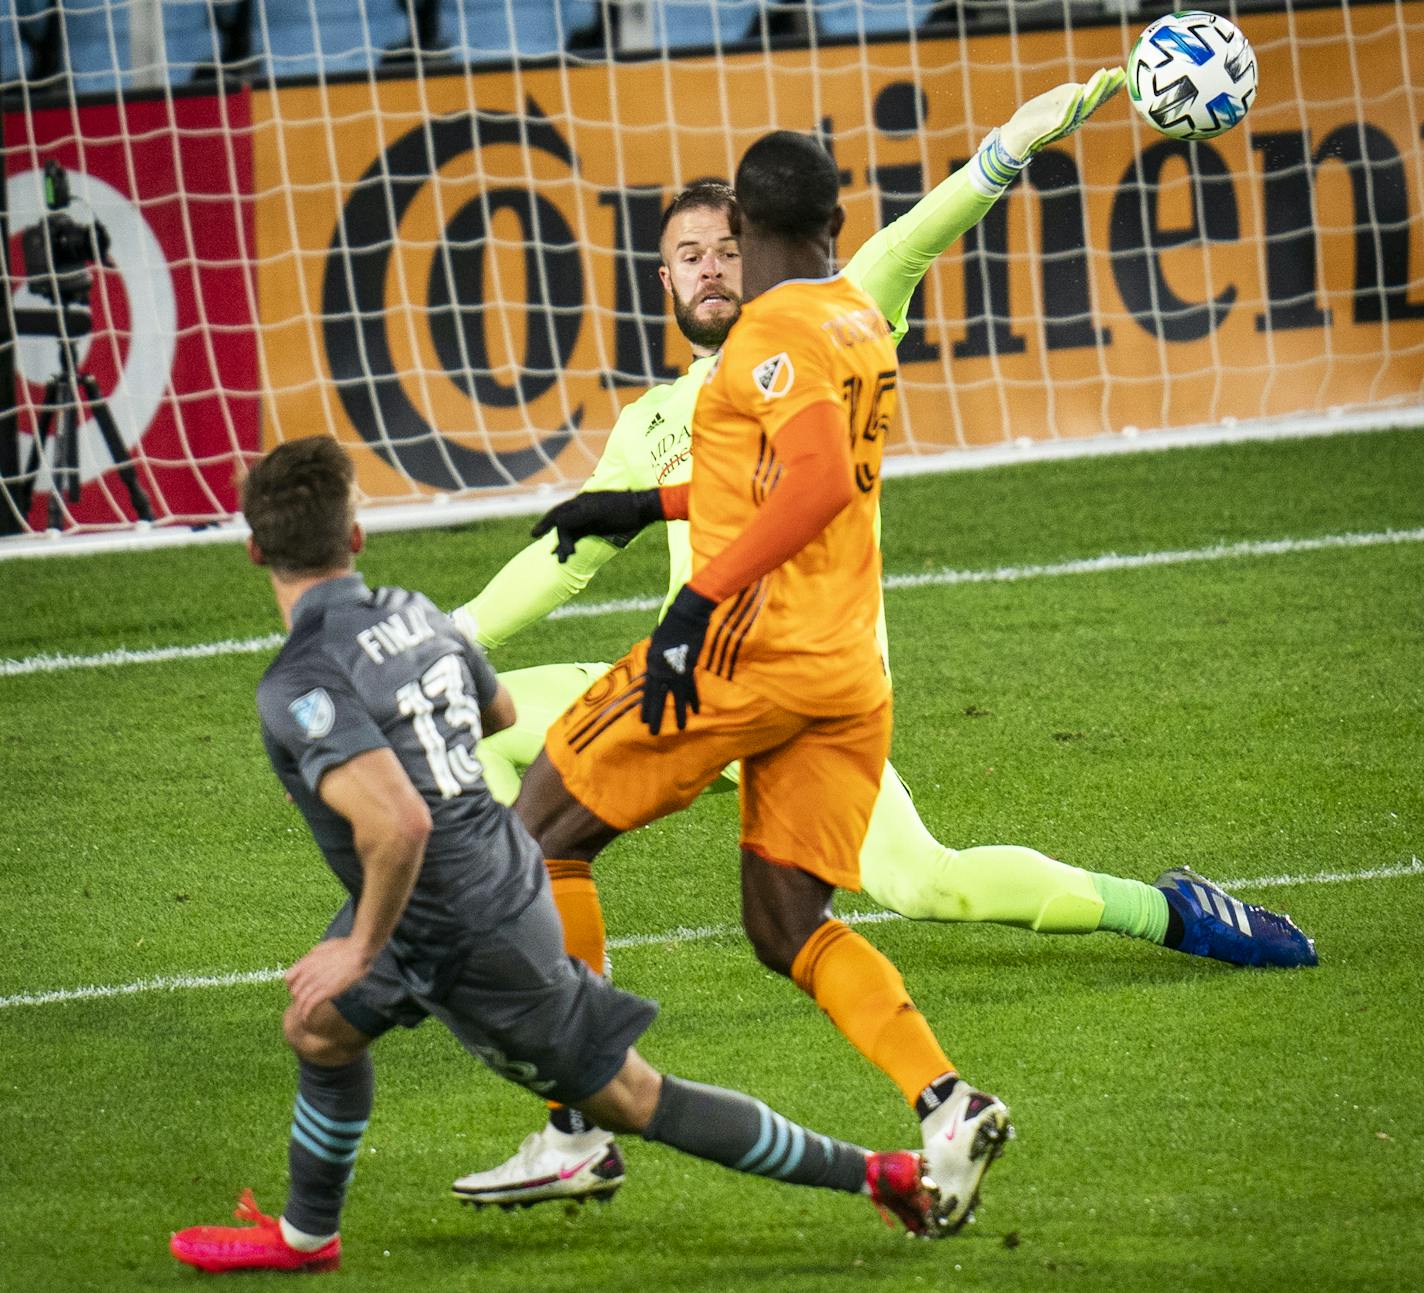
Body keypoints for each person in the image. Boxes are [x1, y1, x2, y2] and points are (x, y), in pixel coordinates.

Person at [449, 74, 1318, 1210]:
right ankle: (891, 1101)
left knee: (927, 885)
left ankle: (1172, 911)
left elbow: (926, 236)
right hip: (801, 669)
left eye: (722, 246)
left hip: (726, 666)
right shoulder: (654, 419)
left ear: (760, 240)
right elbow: (570, 555)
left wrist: (1027, 133)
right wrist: (450, 635)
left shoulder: (829, 308)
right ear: (660, 278)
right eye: (684, 255)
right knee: (499, 734)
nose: (709, 267)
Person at [167, 439, 964, 1275]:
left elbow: (398, 826)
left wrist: (358, 946)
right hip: (477, 869)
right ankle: (306, 1236)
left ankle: (878, 1174)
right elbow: (498, 707)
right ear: (356, 538)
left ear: (254, 548)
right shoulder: (414, 611)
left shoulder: (299, 681)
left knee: (629, 1097)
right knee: (318, 1028)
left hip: (464, 925)